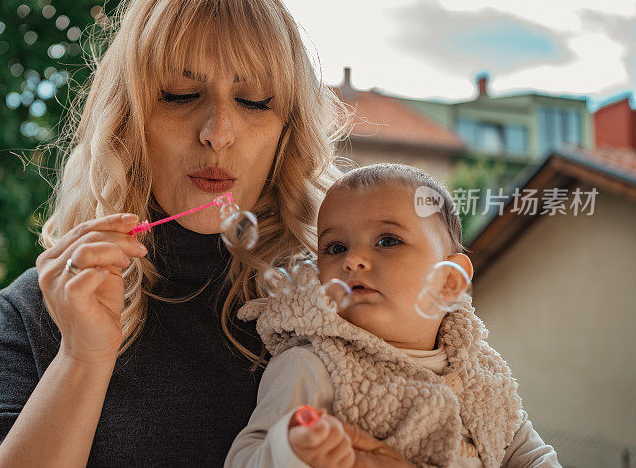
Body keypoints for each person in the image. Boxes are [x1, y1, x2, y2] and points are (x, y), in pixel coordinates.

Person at [0, 0, 360, 467]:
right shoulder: (43, 309)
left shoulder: (341, 303)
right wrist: (81, 358)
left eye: (253, 101)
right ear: (130, 118)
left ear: (287, 132)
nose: (218, 131)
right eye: (180, 95)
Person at [229, 164, 561, 467]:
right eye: (335, 247)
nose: (353, 259)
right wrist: (290, 451)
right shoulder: (314, 363)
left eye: (387, 240)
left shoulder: (483, 375)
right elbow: (244, 457)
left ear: (448, 280)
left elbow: (532, 458)